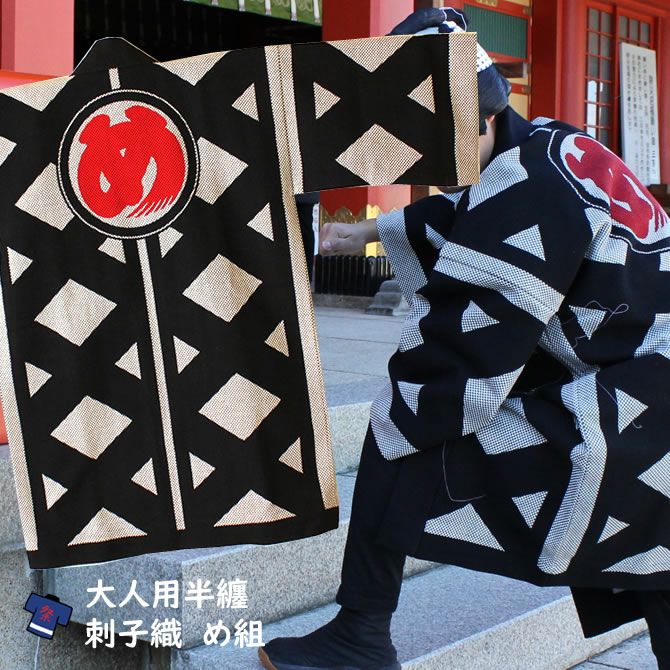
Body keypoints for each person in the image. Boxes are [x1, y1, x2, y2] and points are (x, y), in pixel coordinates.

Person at [259, 8, 670, 670]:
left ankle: (361, 632)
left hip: (649, 401)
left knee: (408, 419)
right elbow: (467, 212)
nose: (421, 164)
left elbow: (467, 350)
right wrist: (360, 234)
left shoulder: (524, 188)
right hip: (648, 384)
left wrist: (419, 395)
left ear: (470, 119)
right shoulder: (552, 144)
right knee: (662, 564)